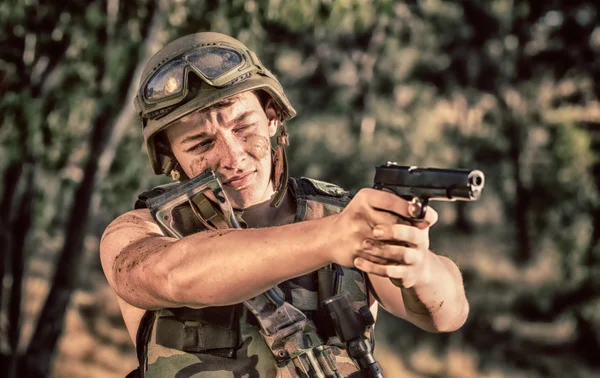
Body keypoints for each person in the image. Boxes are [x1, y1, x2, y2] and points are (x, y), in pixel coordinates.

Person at [100, 31, 469, 378]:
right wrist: (331, 238)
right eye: (200, 145)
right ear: (170, 157)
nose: (232, 157)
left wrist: (417, 266)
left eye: (243, 126)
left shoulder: (342, 217)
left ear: (272, 116)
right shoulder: (137, 232)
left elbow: (448, 313)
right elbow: (175, 275)